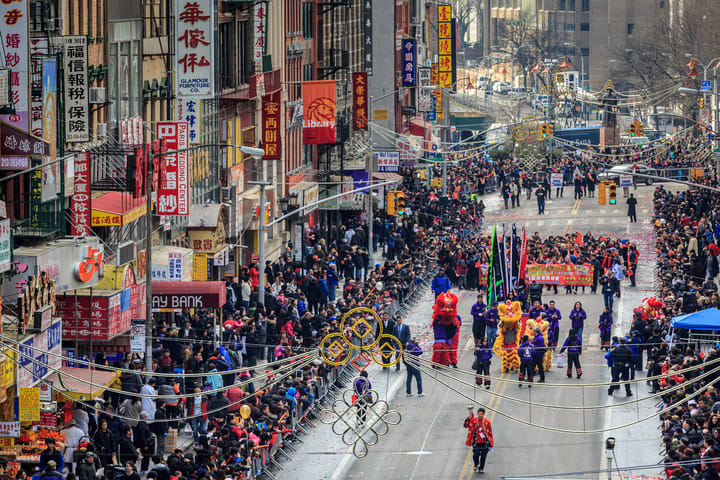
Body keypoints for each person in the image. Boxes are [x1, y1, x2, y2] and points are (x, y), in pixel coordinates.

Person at [464, 407, 494, 474]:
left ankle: (481, 468)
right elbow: (466, 425)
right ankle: (476, 464)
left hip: (484, 443)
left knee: (483, 456)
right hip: (476, 442)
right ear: (477, 414)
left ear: (484, 414)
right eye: (479, 414)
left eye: (481, 414)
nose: (480, 415)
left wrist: (491, 444)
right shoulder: (474, 421)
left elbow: (490, 433)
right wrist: (470, 414)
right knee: (475, 455)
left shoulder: (487, 422)